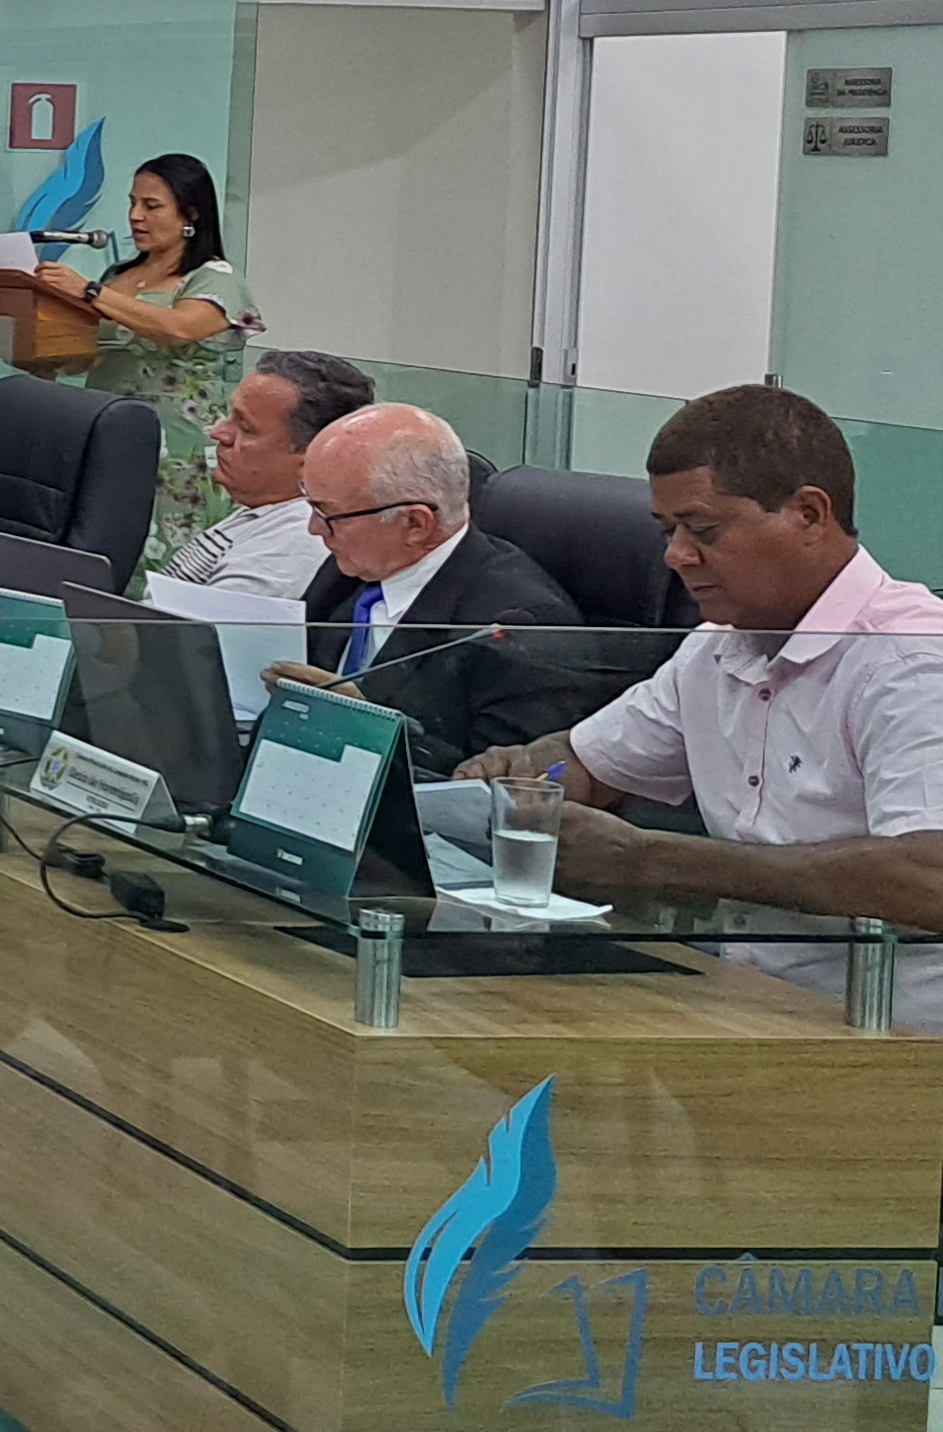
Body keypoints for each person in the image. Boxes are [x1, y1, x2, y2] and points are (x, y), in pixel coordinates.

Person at [461, 385, 943, 1010]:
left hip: (894, 1037)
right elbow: (587, 764)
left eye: (703, 529)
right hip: (744, 1007)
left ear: (808, 514)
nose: (676, 556)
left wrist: (650, 860)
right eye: (667, 531)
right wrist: (523, 774)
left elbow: (930, 875)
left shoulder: (912, 661)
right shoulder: (718, 647)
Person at [280, 401, 579, 773]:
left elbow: (497, 782)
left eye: (327, 515)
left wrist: (367, 727)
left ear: (415, 524)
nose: (314, 529)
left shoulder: (520, 626)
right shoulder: (351, 571)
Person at [33, 153, 260, 578]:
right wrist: (39, 354)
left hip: (174, 447)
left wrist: (90, 293)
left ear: (190, 214)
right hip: (105, 431)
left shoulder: (213, 278)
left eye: (152, 206)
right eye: (132, 203)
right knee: (100, 544)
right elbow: (93, 354)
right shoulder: (118, 275)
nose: (136, 216)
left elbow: (177, 328)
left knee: (168, 557)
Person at [153, 349, 374, 601]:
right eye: (229, 416)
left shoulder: (294, 544)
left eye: (245, 428)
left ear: (312, 457)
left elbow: (204, 626)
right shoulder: (266, 511)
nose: (218, 433)